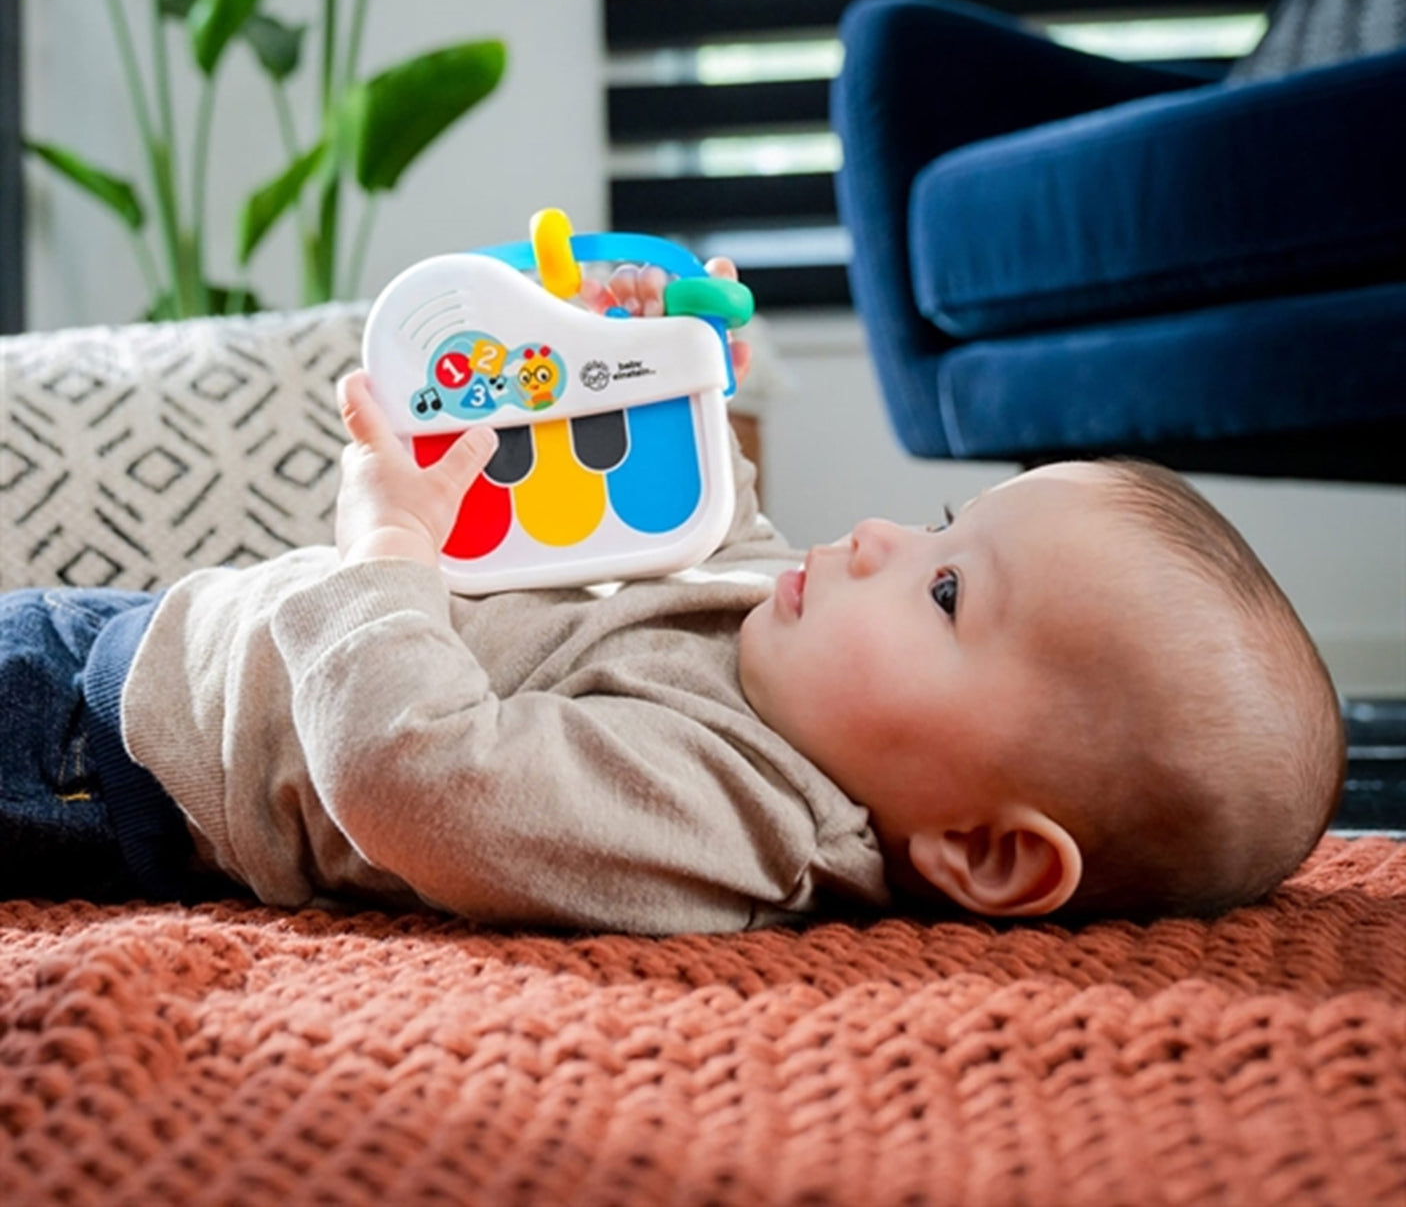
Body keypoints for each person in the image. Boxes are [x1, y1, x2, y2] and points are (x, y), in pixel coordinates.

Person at [0, 261, 1345, 930]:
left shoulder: (728, 814)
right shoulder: (793, 635)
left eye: (945, 586)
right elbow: (695, 527)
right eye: (937, 518)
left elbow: (416, 774)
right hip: (160, 625)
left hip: (105, 754)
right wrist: (632, 359)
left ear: (987, 850)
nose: (878, 531)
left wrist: (394, 544)